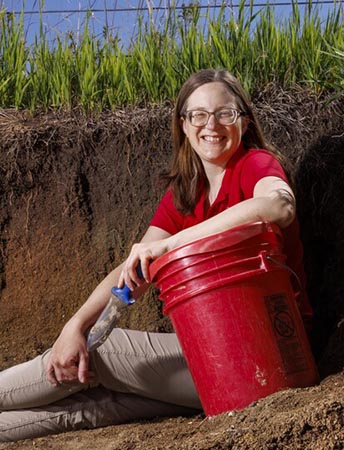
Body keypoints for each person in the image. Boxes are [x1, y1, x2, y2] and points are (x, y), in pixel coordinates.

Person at [0, 69, 312, 442]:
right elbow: (134, 268)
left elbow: (278, 205)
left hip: (270, 358)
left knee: (101, 352)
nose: (211, 125)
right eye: (198, 114)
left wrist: (172, 245)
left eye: (224, 113)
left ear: (244, 122)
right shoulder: (186, 192)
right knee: (95, 403)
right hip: (218, 368)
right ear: (183, 124)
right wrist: (76, 324)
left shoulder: (254, 164)